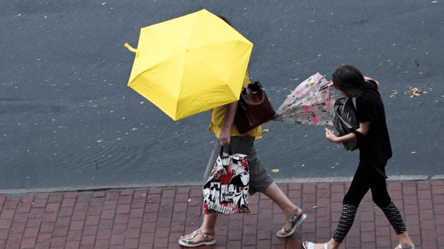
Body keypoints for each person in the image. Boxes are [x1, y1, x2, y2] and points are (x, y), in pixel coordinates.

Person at [178, 17, 306, 247]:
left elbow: (233, 96)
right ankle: (292, 211)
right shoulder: (226, 53)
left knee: (215, 180)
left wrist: (226, 128)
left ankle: (207, 231)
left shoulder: (227, 59)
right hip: (238, 130)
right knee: (252, 174)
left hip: (235, 130)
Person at [303, 65, 415, 249]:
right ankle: (405, 242)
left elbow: (363, 130)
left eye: (338, 87)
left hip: (371, 157)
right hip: (381, 151)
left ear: (347, 88)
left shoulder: (363, 102)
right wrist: (347, 79)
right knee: (381, 198)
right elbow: (374, 81)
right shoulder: (369, 86)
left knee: (351, 199)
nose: (337, 90)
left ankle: (331, 246)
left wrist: (337, 139)